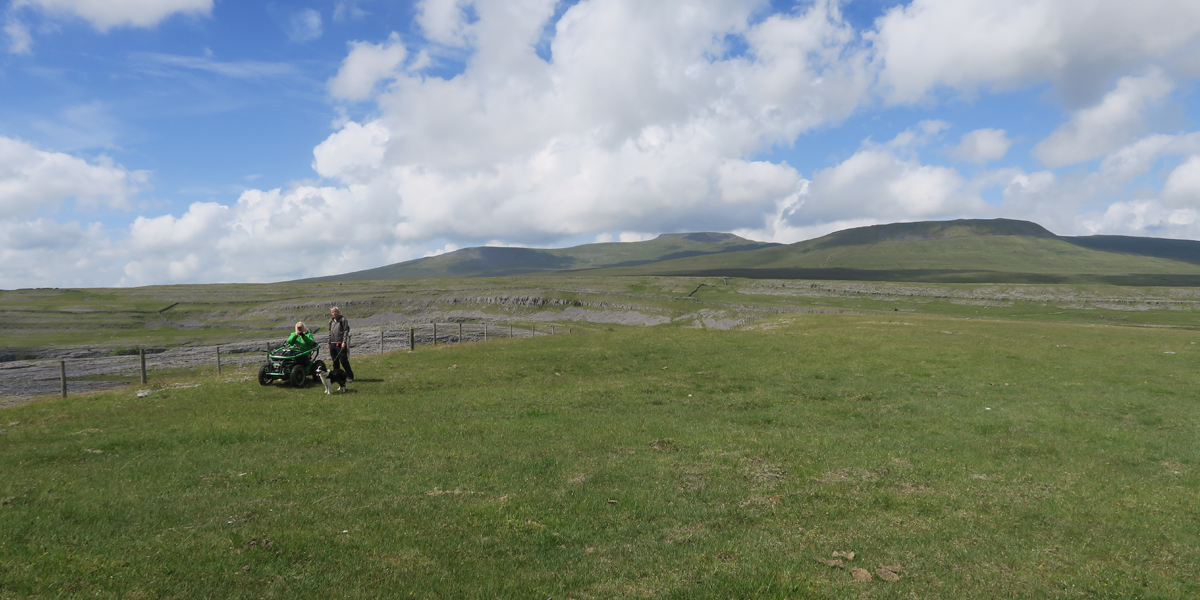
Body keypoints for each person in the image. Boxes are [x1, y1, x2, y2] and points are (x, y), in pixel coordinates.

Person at [328, 307, 354, 382]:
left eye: (335, 311)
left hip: (340, 343)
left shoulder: (343, 320)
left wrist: (344, 342)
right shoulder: (331, 321)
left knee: (343, 360)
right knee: (335, 361)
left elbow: (345, 331)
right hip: (333, 343)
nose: (334, 313)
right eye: (333, 312)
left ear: (338, 312)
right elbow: (330, 332)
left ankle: (350, 376)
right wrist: (328, 342)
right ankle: (336, 377)